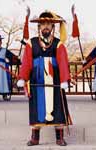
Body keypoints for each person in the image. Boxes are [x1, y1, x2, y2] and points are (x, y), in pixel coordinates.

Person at [17, 11, 72, 146]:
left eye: (48, 24)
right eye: (43, 24)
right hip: (37, 79)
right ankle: (35, 138)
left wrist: (64, 79)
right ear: (39, 27)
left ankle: (59, 137)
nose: (45, 27)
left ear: (53, 26)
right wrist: (23, 77)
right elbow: (27, 61)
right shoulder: (31, 43)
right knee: (37, 106)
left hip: (55, 79)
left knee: (57, 105)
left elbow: (63, 62)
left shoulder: (58, 44)